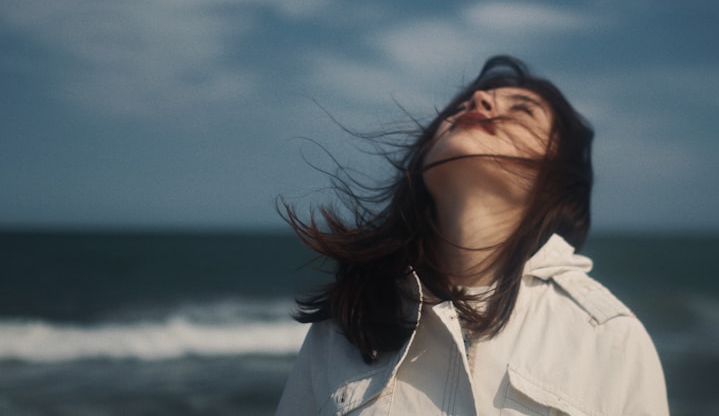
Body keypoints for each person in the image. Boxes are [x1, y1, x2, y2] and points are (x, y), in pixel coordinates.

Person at [275, 55, 669, 415]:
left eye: (523, 110)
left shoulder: (607, 335)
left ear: (557, 178)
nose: (477, 101)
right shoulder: (347, 323)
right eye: (461, 106)